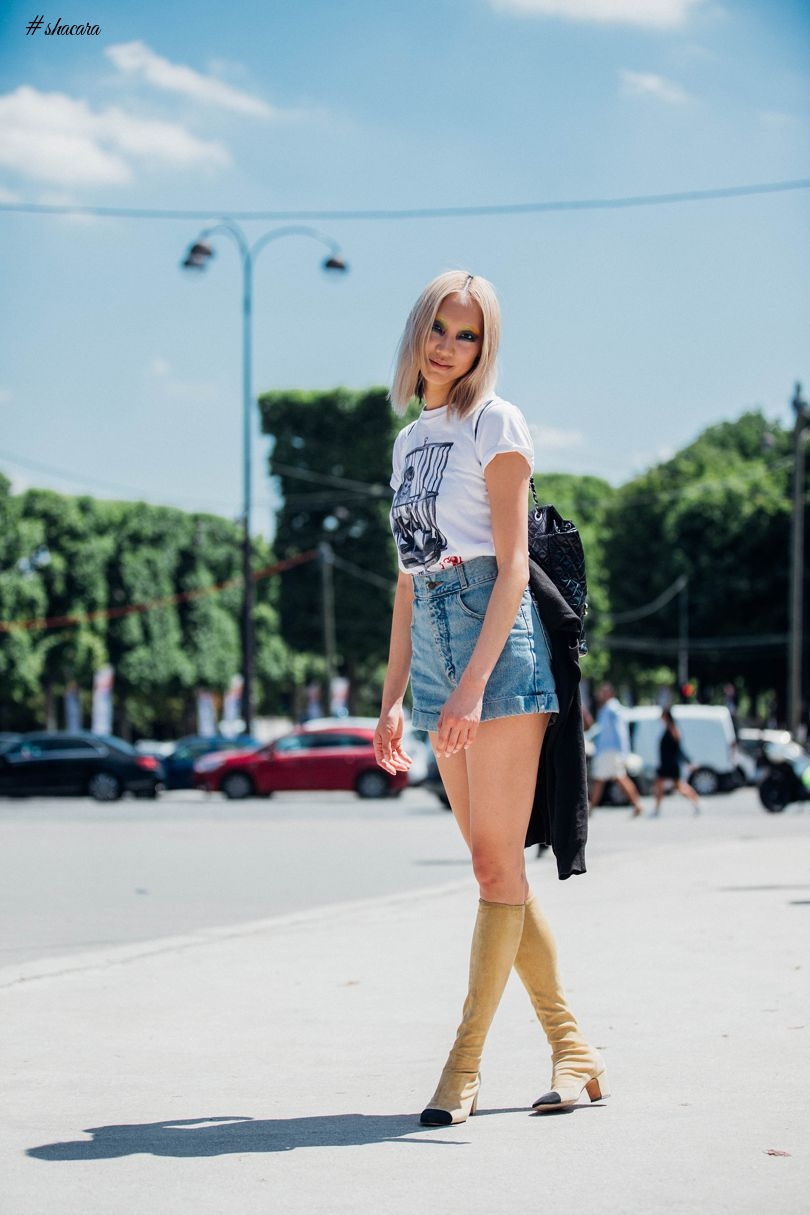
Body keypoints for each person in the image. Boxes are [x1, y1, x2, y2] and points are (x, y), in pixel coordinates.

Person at [374, 270, 607, 1126]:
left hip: (497, 645)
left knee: (488, 864)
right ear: (419, 330)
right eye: (439, 326)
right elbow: (406, 578)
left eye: (466, 334)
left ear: (484, 347)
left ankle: (463, 1064)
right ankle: (575, 1048)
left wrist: (473, 681)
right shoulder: (407, 443)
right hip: (434, 639)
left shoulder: (495, 421)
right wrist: (395, 695)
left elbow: (513, 565)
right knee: (499, 865)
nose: (448, 345)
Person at [589, 682, 644, 817]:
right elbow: (599, 731)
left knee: (601, 779)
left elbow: (621, 731)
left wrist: (624, 752)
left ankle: (590, 809)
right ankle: (637, 805)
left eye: (603, 692)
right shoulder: (607, 708)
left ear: (609, 693)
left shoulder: (612, 709)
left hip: (610, 751)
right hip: (608, 751)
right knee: (618, 778)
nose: (601, 694)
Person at [653, 707, 701, 815]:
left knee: (679, 787)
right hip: (665, 763)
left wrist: (689, 761)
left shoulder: (673, 729)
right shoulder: (668, 728)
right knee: (659, 786)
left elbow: (679, 749)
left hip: (671, 764)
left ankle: (696, 801)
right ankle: (657, 809)